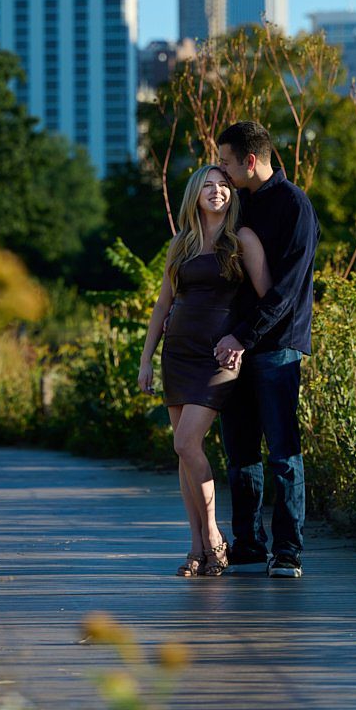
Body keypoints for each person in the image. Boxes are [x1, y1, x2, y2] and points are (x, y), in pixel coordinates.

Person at [137, 164, 271, 578]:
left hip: (219, 356)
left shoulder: (242, 240)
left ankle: (214, 534)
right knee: (184, 450)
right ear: (195, 195)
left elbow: (266, 298)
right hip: (178, 352)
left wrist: (242, 341)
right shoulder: (181, 243)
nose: (217, 192)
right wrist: (146, 359)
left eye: (223, 185)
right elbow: (163, 305)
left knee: (186, 441)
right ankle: (196, 547)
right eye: (208, 186)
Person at [215, 120, 319, 579]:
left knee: (282, 450)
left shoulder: (294, 206)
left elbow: (287, 293)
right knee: (239, 452)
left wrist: (244, 336)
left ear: (249, 161)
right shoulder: (236, 205)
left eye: (225, 161)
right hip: (233, 346)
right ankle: (249, 544)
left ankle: (288, 551)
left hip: (275, 347)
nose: (220, 169)